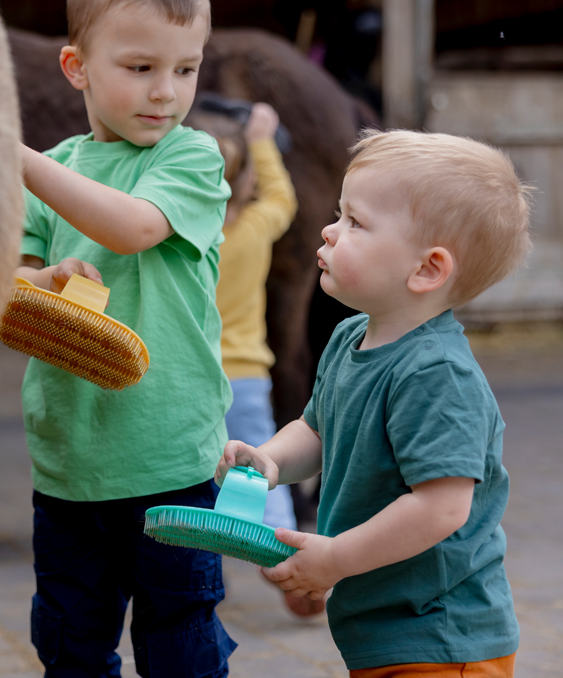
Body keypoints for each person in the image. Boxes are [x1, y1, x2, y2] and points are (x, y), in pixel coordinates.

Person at [216, 129, 531, 676]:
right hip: (386, 626)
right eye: (339, 215)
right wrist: (271, 461)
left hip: (443, 633)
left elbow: (442, 507)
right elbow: (317, 428)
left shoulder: (436, 374)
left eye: (355, 222)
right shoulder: (350, 337)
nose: (329, 230)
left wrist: (336, 559)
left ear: (427, 269)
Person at [16, 0, 237, 677]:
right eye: (140, 68)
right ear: (77, 68)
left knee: (180, 645)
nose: (165, 92)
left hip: (172, 460)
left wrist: (14, 158)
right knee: (71, 648)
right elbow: (7, 288)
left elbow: (132, 226)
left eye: (186, 68)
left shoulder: (192, 158)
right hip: (70, 467)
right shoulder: (56, 170)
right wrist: (42, 279)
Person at [214, 102, 324, 618]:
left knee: (197, 478)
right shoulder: (255, 229)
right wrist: (261, 139)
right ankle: (286, 564)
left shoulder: (187, 242)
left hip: (195, 383)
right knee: (263, 472)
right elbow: (283, 197)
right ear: (245, 183)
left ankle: (204, 575)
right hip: (247, 378)